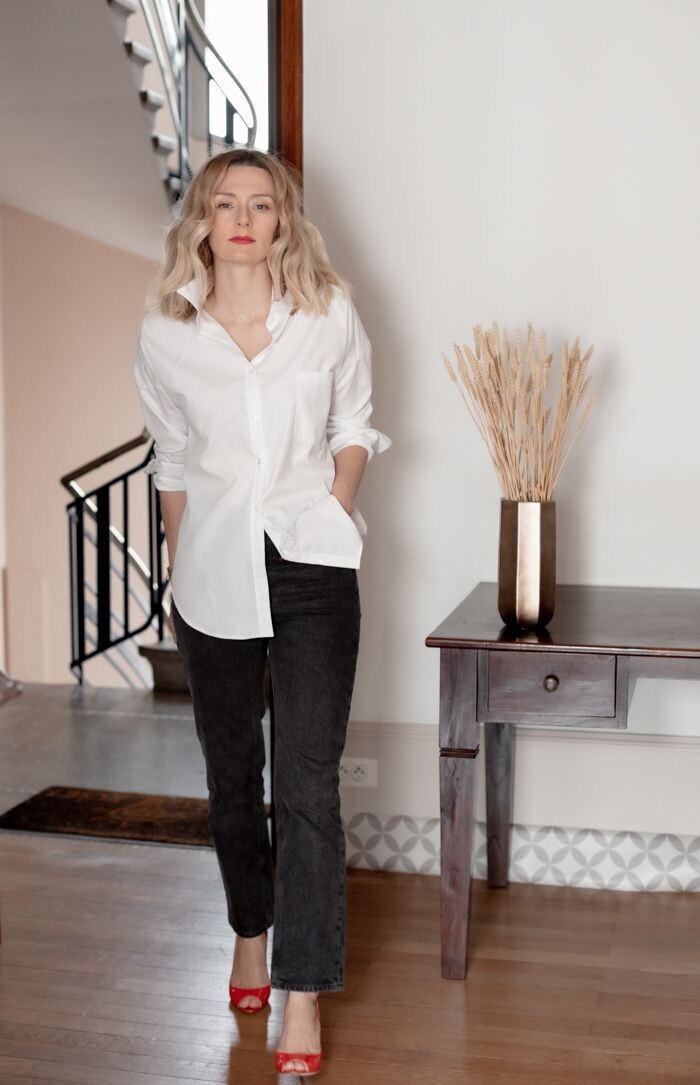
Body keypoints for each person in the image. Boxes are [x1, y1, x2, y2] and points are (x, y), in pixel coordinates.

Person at [132, 147, 391, 1075]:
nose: (243, 219)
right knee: (233, 776)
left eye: (262, 204)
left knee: (308, 781)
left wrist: (337, 507)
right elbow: (170, 459)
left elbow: (354, 424)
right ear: (201, 220)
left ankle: (303, 990)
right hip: (213, 575)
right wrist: (183, 560)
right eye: (225, 203)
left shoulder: (328, 313)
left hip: (312, 565)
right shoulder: (165, 333)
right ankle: (251, 929)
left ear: (284, 221)